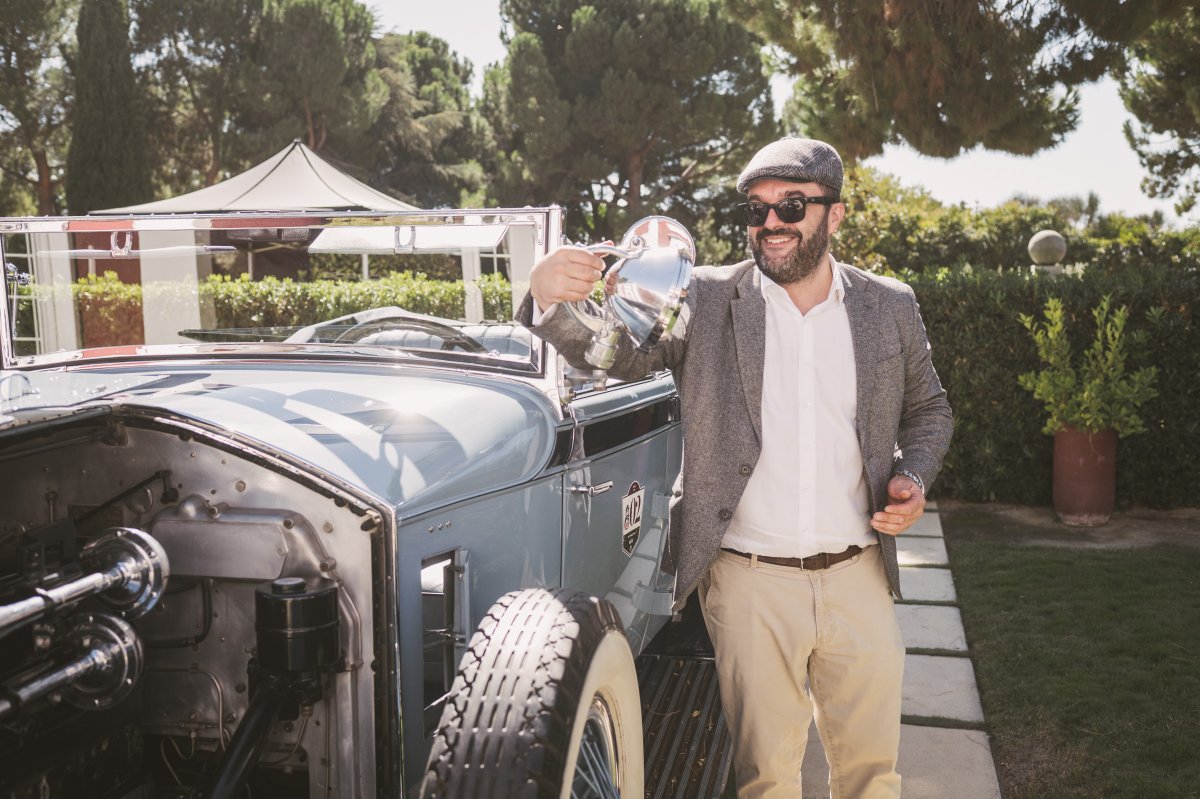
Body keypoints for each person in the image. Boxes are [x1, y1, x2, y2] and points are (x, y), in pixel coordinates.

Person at [517, 136, 953, 798]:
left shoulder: (888, 305)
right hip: (749, 587)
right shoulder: (708, 297)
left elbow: (930, 412)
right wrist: (549, 298)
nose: (771, 224)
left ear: (834, 215)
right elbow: (615, 355)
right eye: (756, 210)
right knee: (766, 779)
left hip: (858, 576)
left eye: (792, 206)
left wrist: (913, 477)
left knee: (872, 777)